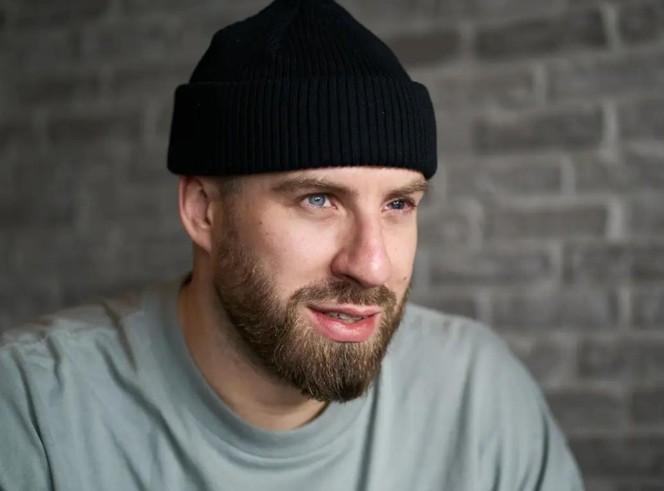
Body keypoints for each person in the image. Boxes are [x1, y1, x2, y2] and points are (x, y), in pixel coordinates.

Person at [0, 0, 585, 489]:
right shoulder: (34, 408)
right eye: (319, 199)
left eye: (398, 205)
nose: (371, 265)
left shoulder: (477, 392)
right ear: (204, 211)